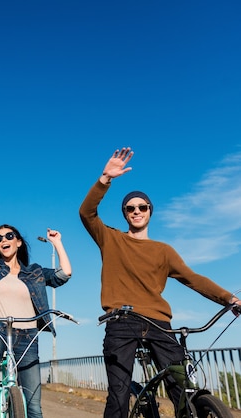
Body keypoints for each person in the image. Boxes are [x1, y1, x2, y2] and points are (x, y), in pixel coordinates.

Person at [79, 147, 241, 418]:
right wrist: (105, 179)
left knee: (182, 390)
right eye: (130, 208)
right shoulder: (112, 239)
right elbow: (87, 214)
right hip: (122, 321)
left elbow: (193, 279)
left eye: (142, 207)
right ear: (125, 214)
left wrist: (230, 299)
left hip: (159, 323)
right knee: (119, 395)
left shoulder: (163, 250)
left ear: (150, 211)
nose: (136, 211)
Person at [0, 176, 72, 418]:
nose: (3, 239)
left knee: (34, 405)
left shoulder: (34, 272)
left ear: (19, 242)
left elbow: (65, 273)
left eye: (9, 236)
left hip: (28, 335)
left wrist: (57, 243)